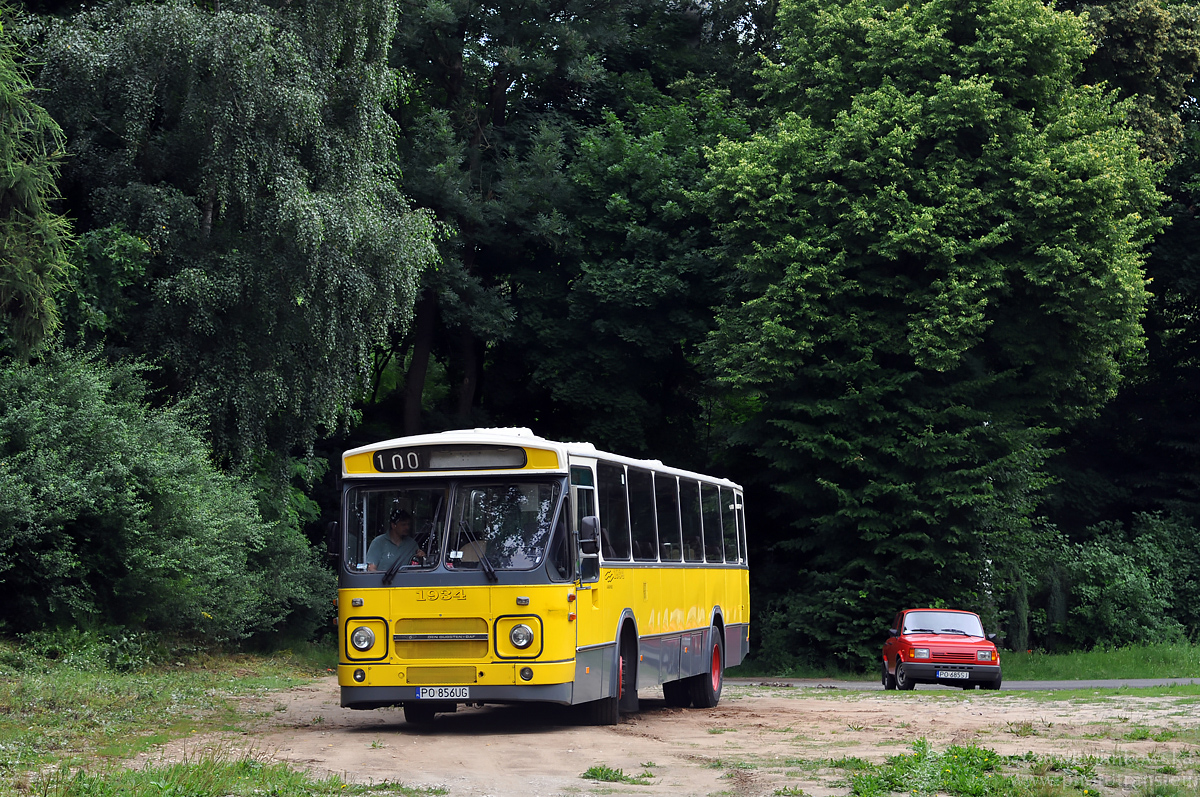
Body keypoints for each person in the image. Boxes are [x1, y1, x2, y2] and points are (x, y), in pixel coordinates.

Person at [366, 507, 425, 571]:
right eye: (403, 524)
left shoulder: (412, 544)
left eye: (408, 524)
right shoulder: (378, 543)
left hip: (408, 580)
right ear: (393, 525)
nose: (407, 527)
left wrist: (422, 558)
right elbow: (371, 569)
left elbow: (417, 568)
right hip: (384, 580)